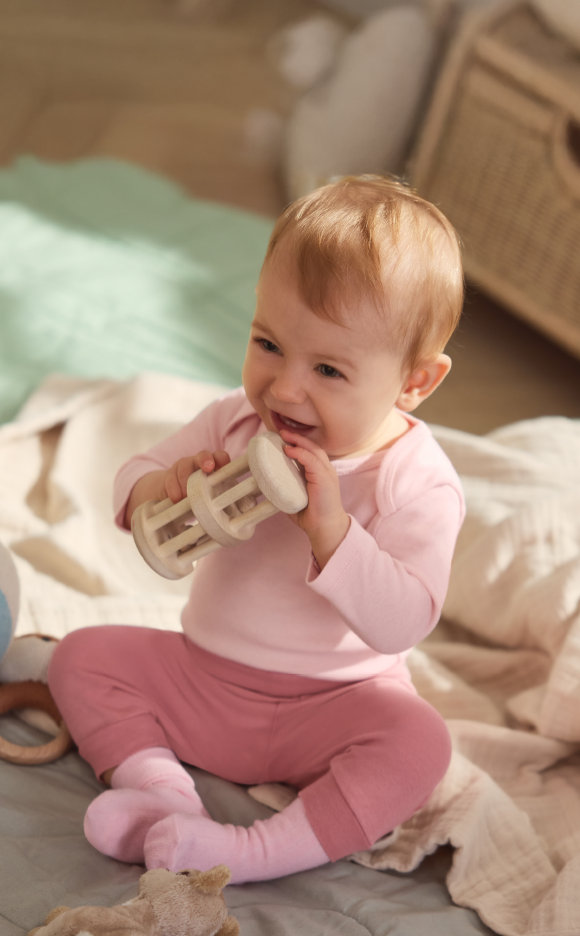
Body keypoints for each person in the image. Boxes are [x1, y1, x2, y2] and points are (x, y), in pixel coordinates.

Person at [48, 174, 466, 884]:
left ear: (414, 383)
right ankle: (161, 801)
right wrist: (164, 486)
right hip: (203, 680)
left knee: (419, 744)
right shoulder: (235, 422)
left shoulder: (416, 479)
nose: (285, 389)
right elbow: (131, 483)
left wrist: (332, 531)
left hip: (332, 707)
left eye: (329, 368)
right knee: (81, 657)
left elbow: (403, 621)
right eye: (269, 344)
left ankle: (251, 854)